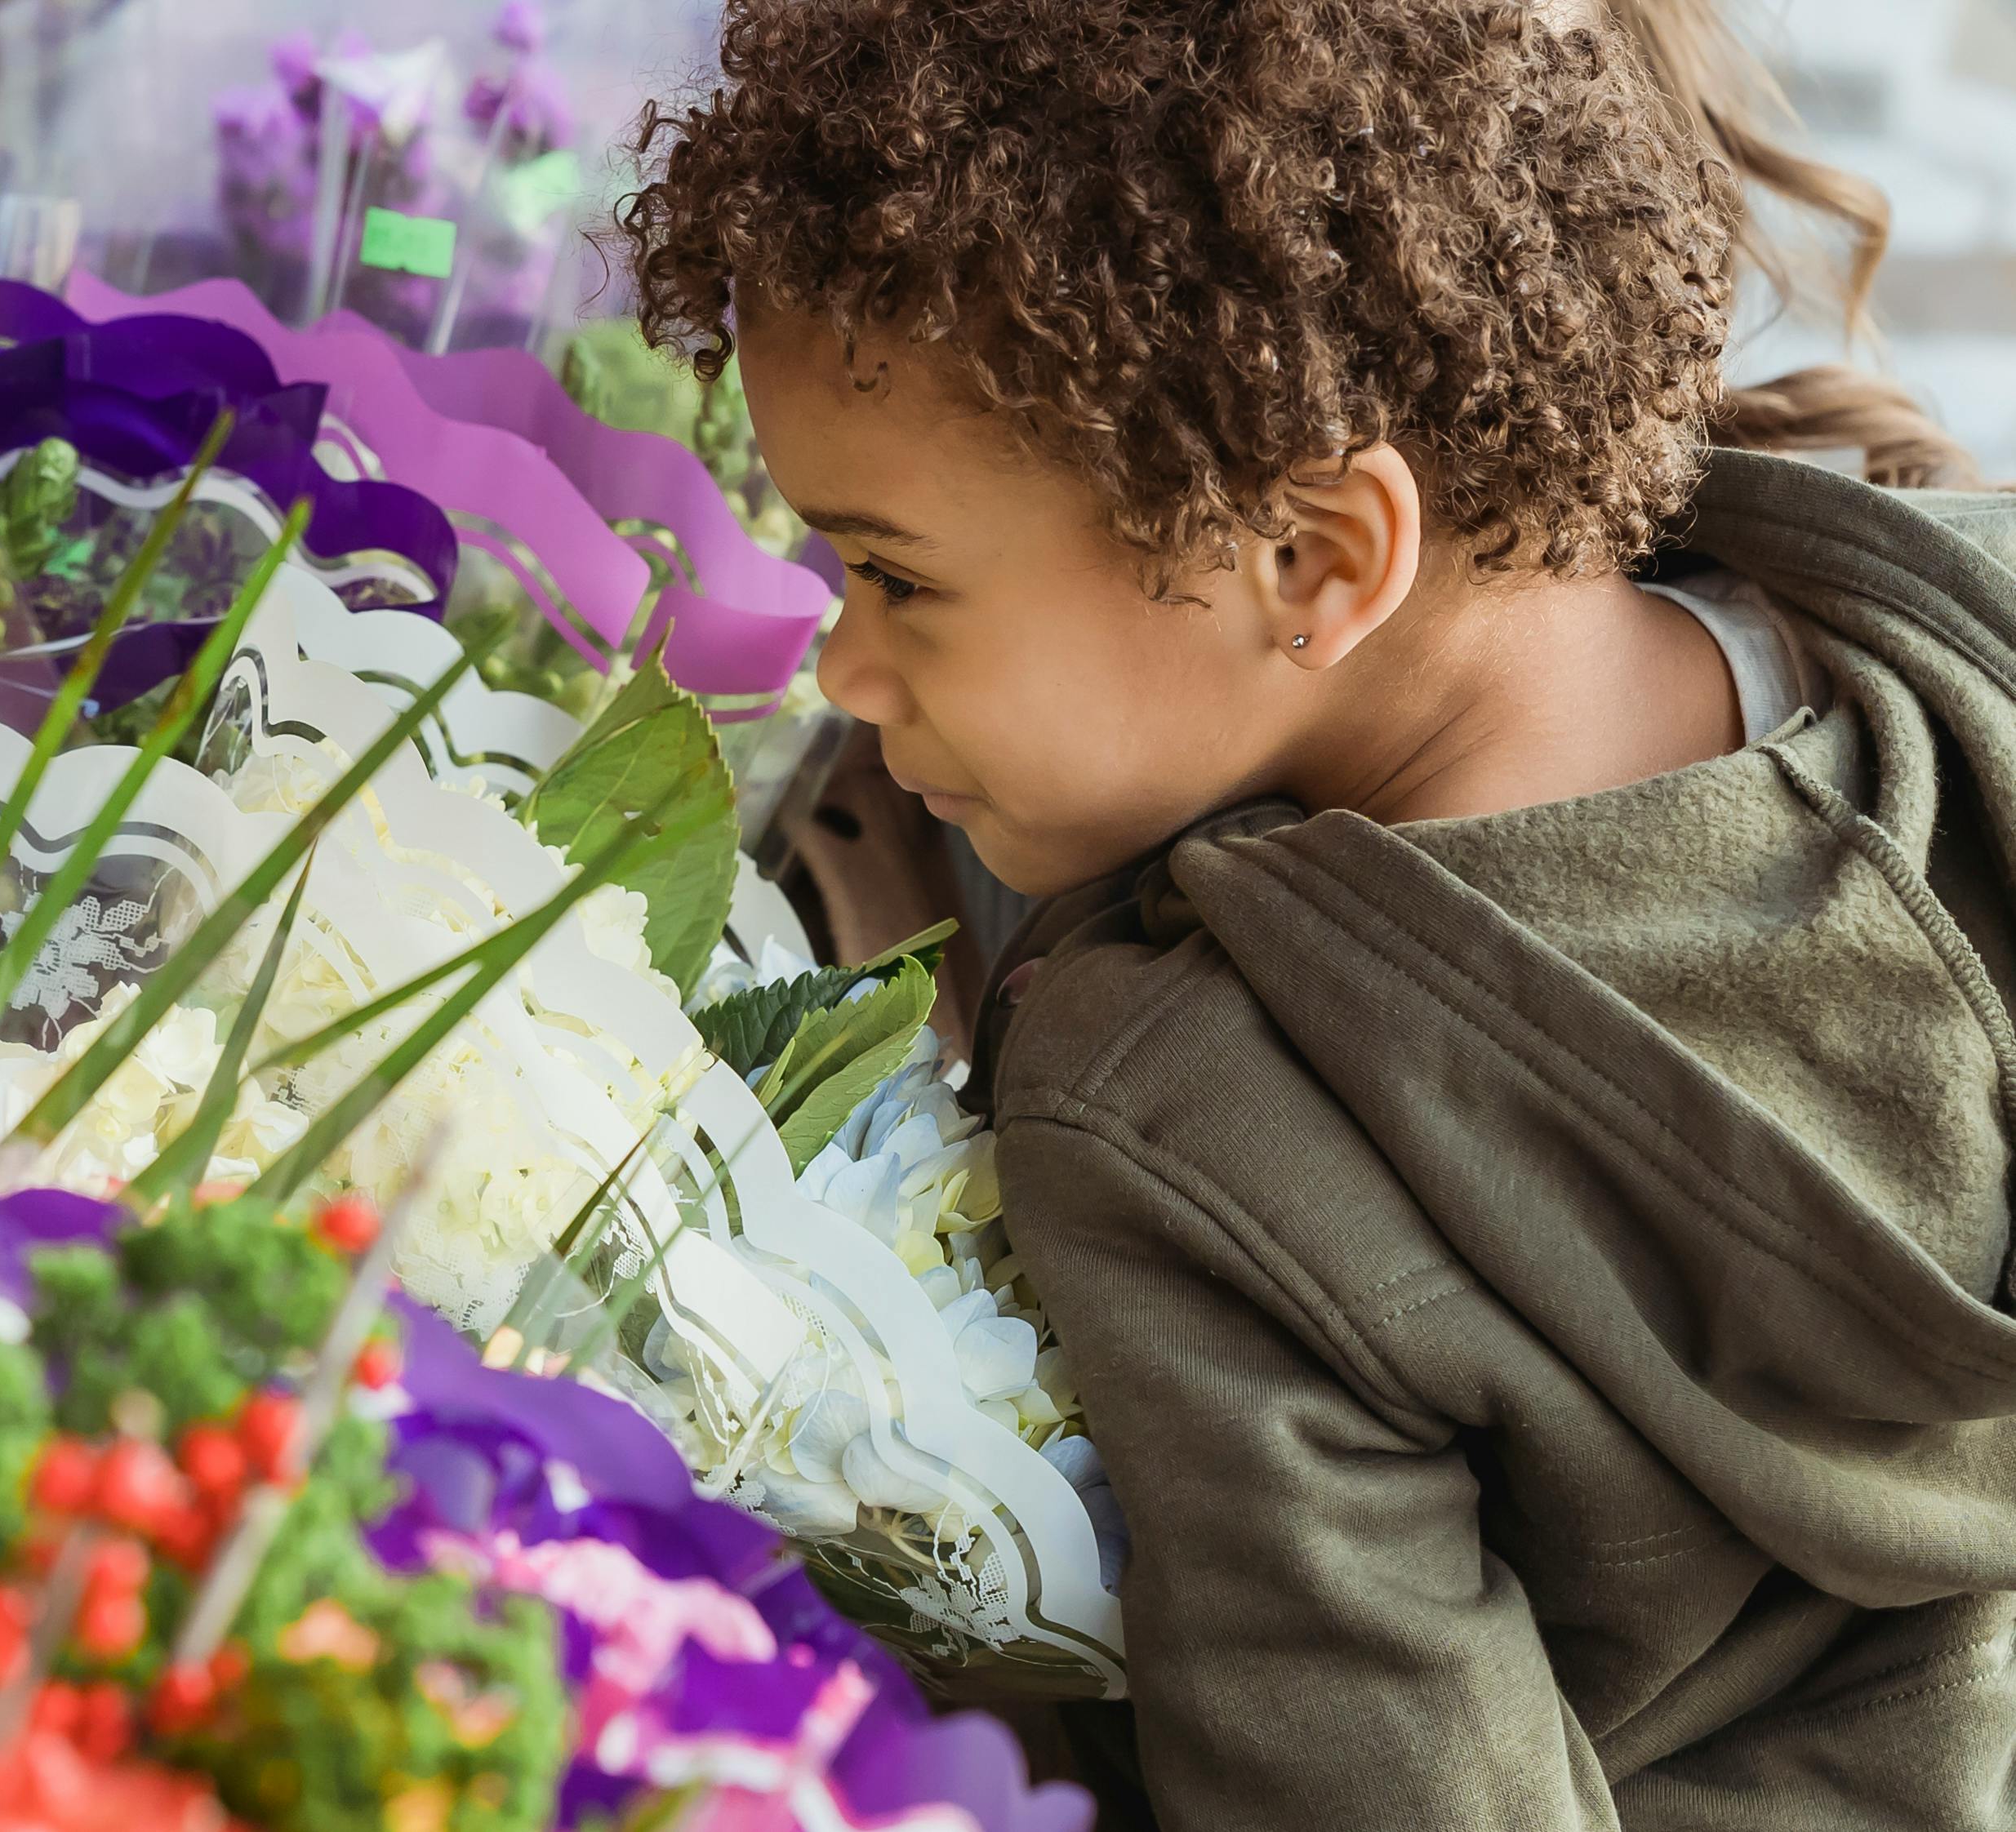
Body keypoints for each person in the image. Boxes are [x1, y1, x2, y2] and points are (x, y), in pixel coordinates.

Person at [616, 3, 2016, 1828]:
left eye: (893, 573)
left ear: (1319, 558)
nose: (845, 660)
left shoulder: (1202, 1134)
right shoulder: (1952, 637)